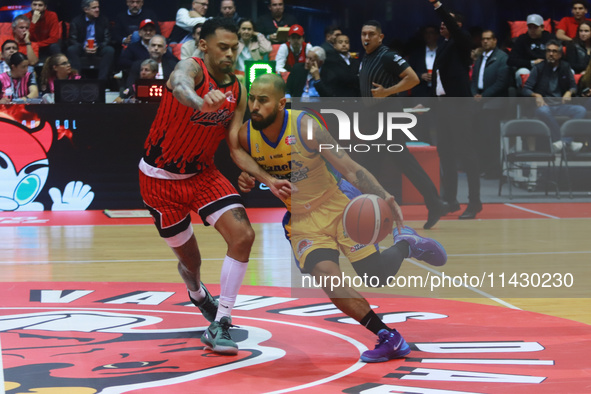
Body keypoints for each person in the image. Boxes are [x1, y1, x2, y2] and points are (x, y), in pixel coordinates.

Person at [237, 73, 447, 363]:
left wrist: (386, 197)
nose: (255, 106)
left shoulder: (306, 126)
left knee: (375, 275)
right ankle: (388, 336)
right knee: (328, 278)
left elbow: (349, 167)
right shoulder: (247, 134)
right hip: (302, 219)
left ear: (282, 103)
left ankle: (407, 244)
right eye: (252, 99)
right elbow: (253, 166)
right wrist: (247, 178)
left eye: (263, 100)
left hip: (338, 203)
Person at [138, 18, 290, 355]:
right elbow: (178, 84)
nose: (230, 53)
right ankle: (196, 292)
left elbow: (235, 147)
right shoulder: (190, 68)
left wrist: (268, 179)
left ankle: (220, 321)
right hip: (160, 181)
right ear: (204, 45)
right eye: (223, 47)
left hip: (204, 175)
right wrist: (199, 101)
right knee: (191, 263)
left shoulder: (238, 88)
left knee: (244, 235)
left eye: (234, 47)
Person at [358, 20, 448, 229]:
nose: (366, 37)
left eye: (371, 34)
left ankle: (369, 212)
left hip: (388, 114)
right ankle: (434, 203)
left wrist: (387, 91)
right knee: (378, 162)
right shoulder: (366, 56)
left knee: (382, 162)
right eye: (364, 33)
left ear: (381, 37)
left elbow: (413, 78)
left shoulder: (387, 55)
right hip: (374, 116)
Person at [428, 1, 482, 220]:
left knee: (466, 154)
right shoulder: (444, 45)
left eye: (446, 21)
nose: (441, 25)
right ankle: (450, 200)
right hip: (444, 106)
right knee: (445, 153)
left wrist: (438, 5)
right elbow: (439, 78)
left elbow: (456, 30)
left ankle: (475, 202)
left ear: (456, 24)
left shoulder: (462, 40)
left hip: (459, 106)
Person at [522, 40, 586, 153]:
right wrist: (536, 95)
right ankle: (564, 142)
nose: (551, 54)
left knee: (580, 110)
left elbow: (573, 86)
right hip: (545, 106)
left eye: (554, 51)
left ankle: (564, 142)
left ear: (560, 55)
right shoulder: (539, 68)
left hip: (561, 106)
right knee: (543, 111)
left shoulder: (565, 67)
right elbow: (526, 89)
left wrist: (569, 92)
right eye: (548, 51)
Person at [470, 29, 509, 180]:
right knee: (479, 137)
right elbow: (474, 79)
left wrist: (483, 96)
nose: (485, 41)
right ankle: (483, 167)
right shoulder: (480, 58)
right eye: (483, 39)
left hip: (494, 102)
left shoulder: (502, 58)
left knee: (491, 138)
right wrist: (475, 93)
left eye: (488, 39)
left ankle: (494, 170)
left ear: (495, 40)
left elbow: (501, 82)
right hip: (479, 101)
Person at [67, 0, 115, 81]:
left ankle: (102, 81)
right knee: (71, 49)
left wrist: (98, 46)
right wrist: (83, 47)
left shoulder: (103, 20)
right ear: (86, 10)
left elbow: (107, 39)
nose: (97, 10)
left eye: (98, 7)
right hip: (82, 47)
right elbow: (72, 39)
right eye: (94, 8)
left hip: (98, 47)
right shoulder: (76, 21)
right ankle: (76, 79)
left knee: (110, 50)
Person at [507, 14, 553, 88]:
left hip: (548, 66)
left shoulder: (550, 38)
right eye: (530, 27)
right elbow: (511, 60)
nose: (532, 30)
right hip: (528, 67)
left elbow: (560, 57)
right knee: (522, 72)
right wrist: (532, 63)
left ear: (542, 27)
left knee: (569, 71)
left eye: (535, 27)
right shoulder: (522, 39)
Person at [407, 25, 439, 98]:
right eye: (426, 33)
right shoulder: (416, 53)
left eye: (431, 33)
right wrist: (421, 76)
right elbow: (408, 72)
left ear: (437, 35)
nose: (428, 35)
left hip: (438, 91)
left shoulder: (443, 51)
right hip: (420, 92)